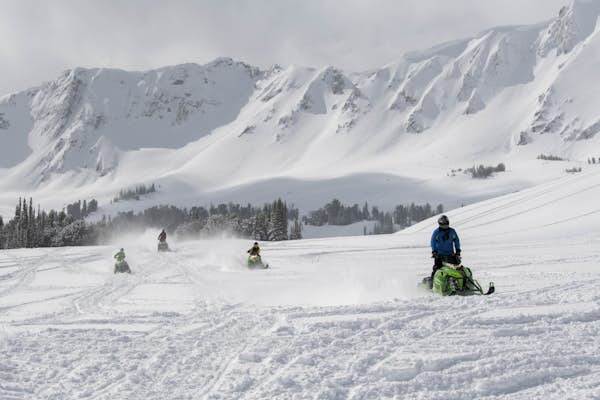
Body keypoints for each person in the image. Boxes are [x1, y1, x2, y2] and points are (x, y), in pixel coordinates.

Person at [429, 215, 461, 286]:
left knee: (458, 268)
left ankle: (462, 282)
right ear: (440, 224)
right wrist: (434, 251)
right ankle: (431, 283)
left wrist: (458, 250)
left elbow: (456, 241)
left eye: (446, 223)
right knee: (437, 269)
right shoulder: (436, 232)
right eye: (444, 224)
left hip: (451, 254)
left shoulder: (452, 231)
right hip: (440, 255)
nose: (445, 225)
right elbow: (433, 242)